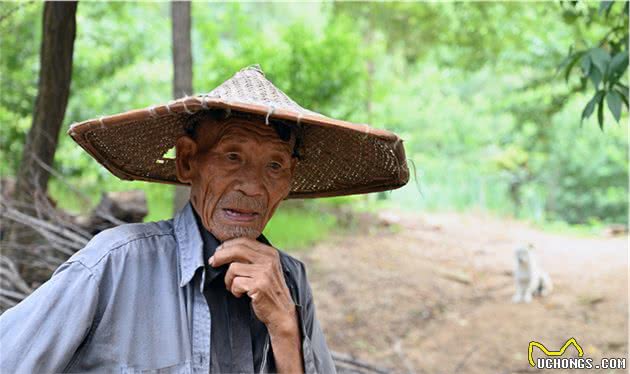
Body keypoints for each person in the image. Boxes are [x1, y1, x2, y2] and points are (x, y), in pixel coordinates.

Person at [0, 65, 409, 373]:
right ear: (186, 161)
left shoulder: (291, 281)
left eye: (275, 165)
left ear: (289, 182)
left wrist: (286, 329)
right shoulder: (115, 264)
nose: (252, 186)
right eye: (233, 157)